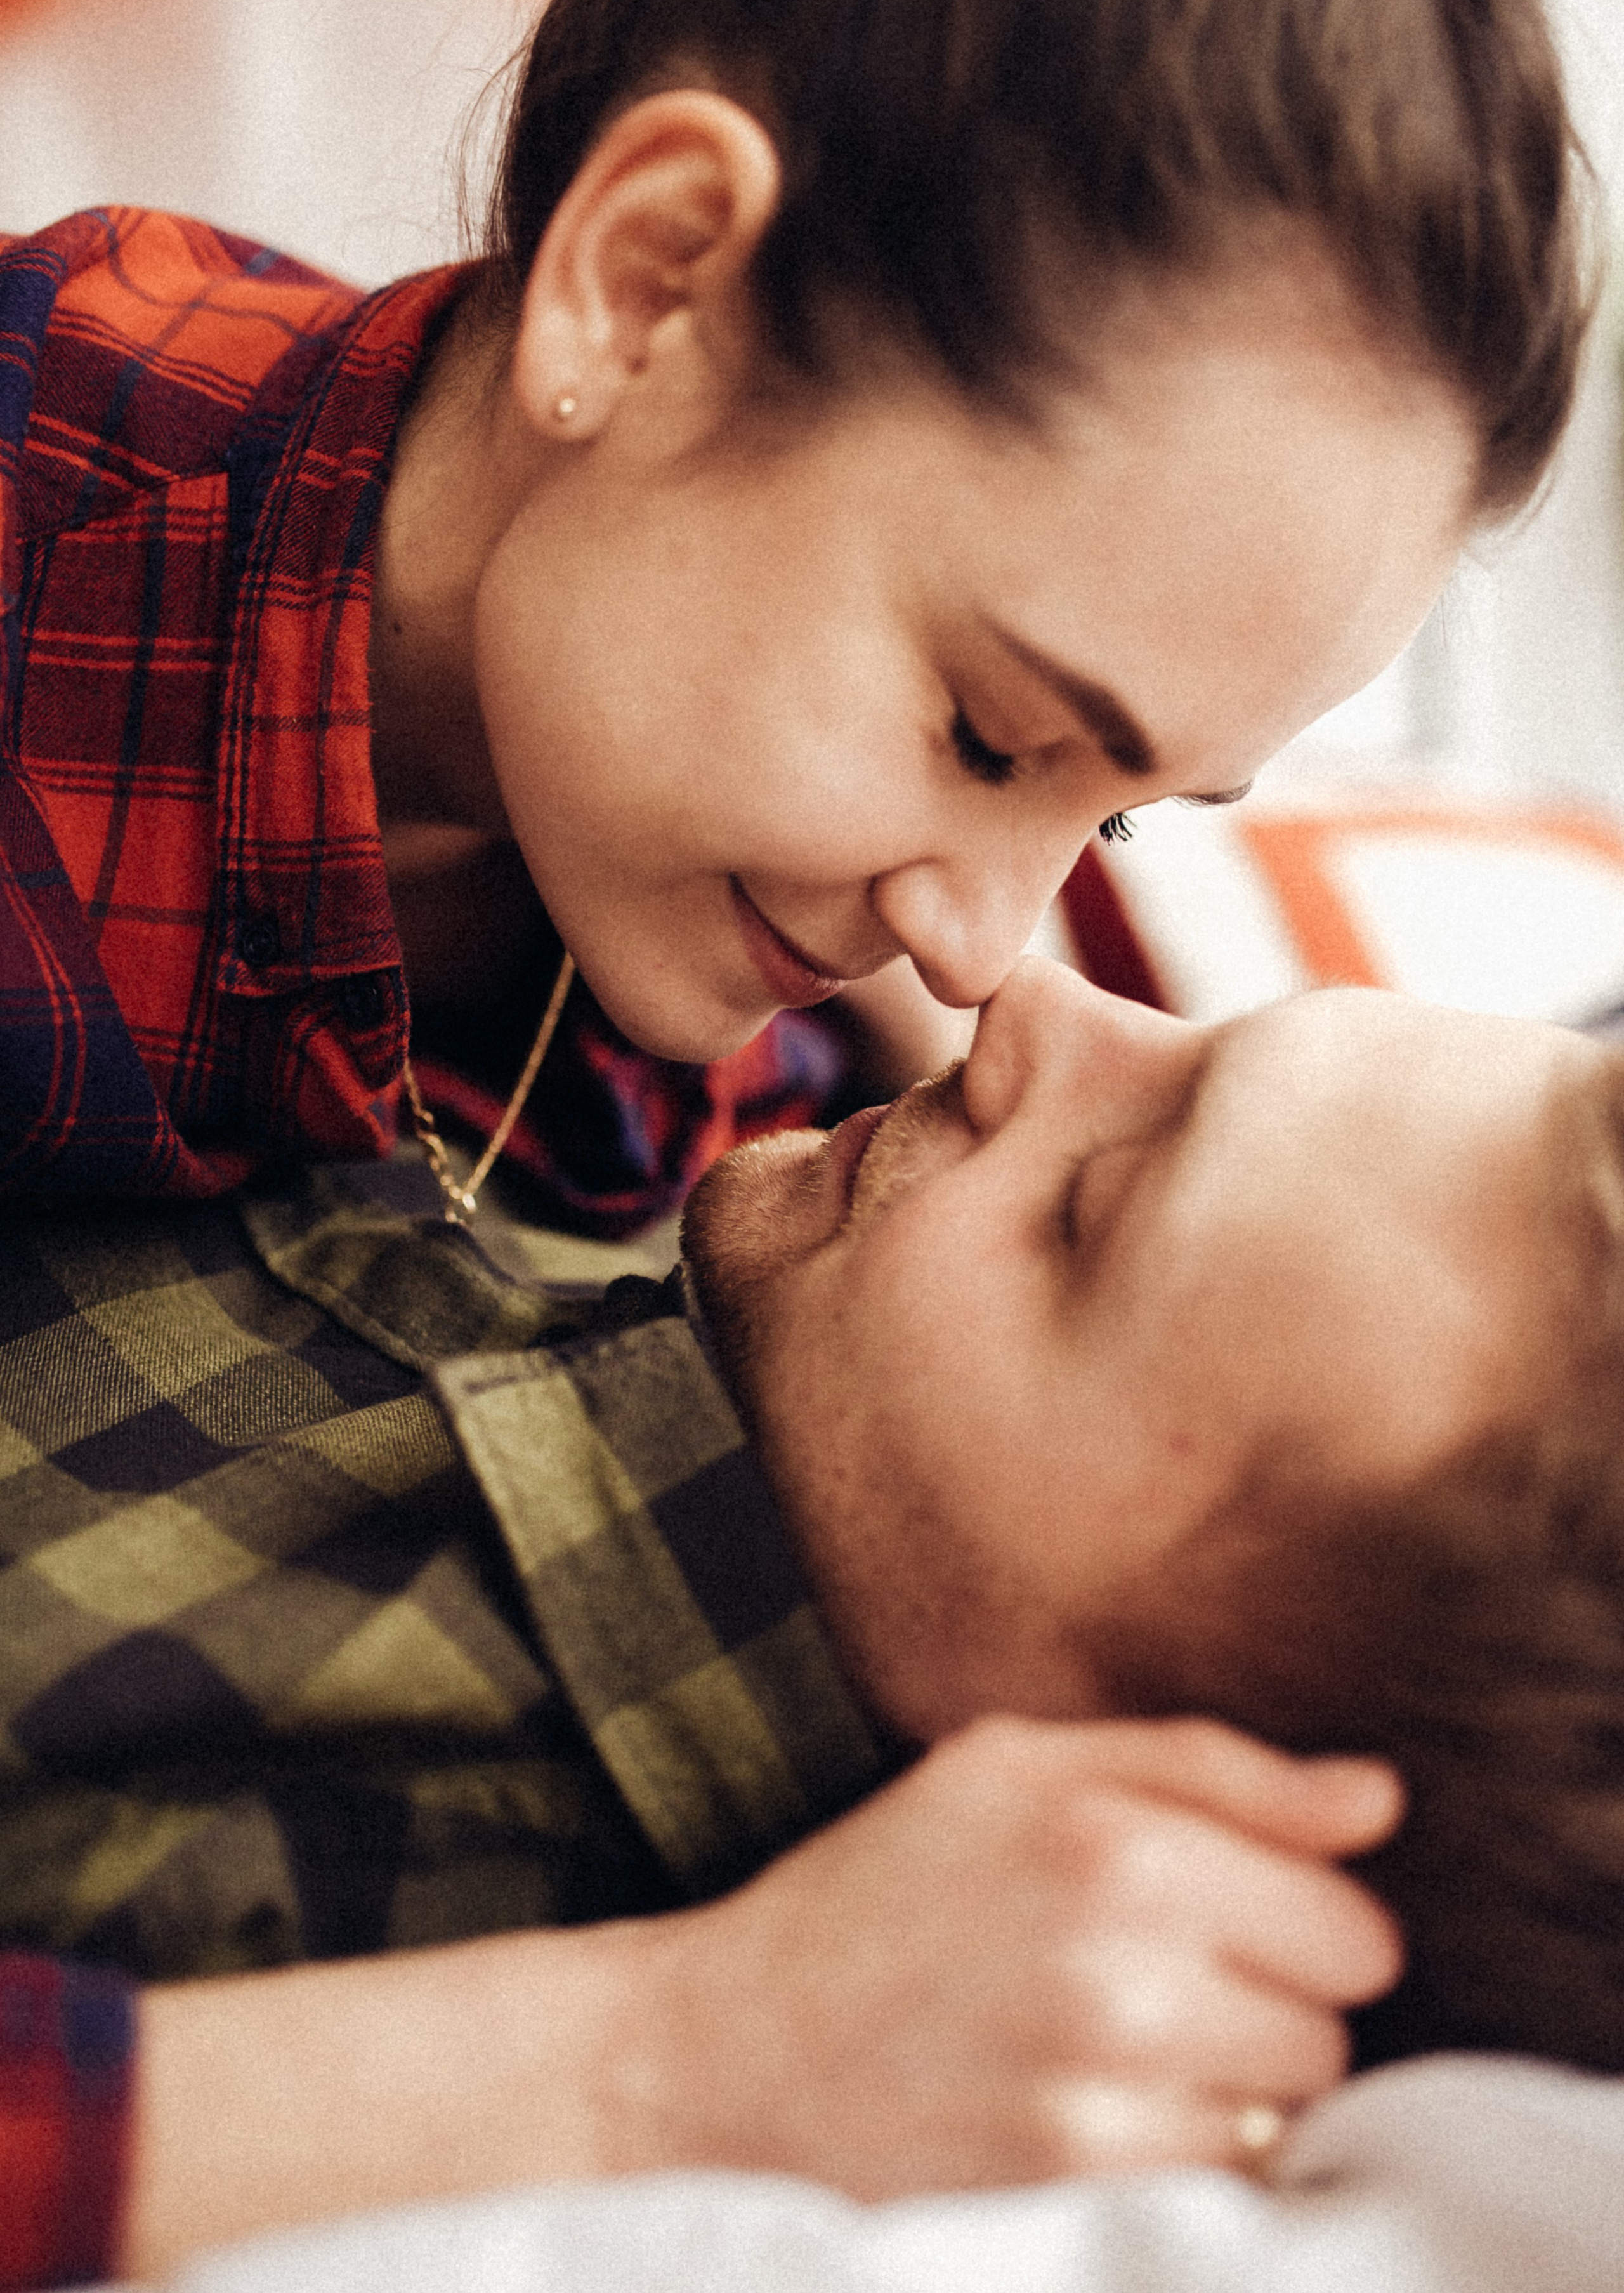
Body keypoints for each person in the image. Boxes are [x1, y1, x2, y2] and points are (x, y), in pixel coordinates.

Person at [0, 0, 1590, 1225]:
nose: (980, 959)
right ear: (652, 285)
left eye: (1112, 816)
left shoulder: (645, 804)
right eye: (989, 737)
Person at [4, 956, 1623, 2283]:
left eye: (1096, 1206)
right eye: (1203, 1034)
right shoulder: (757, 1259)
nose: (1027, 1000)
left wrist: (662, 2051)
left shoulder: (298, 1895)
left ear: (1146, 1825)